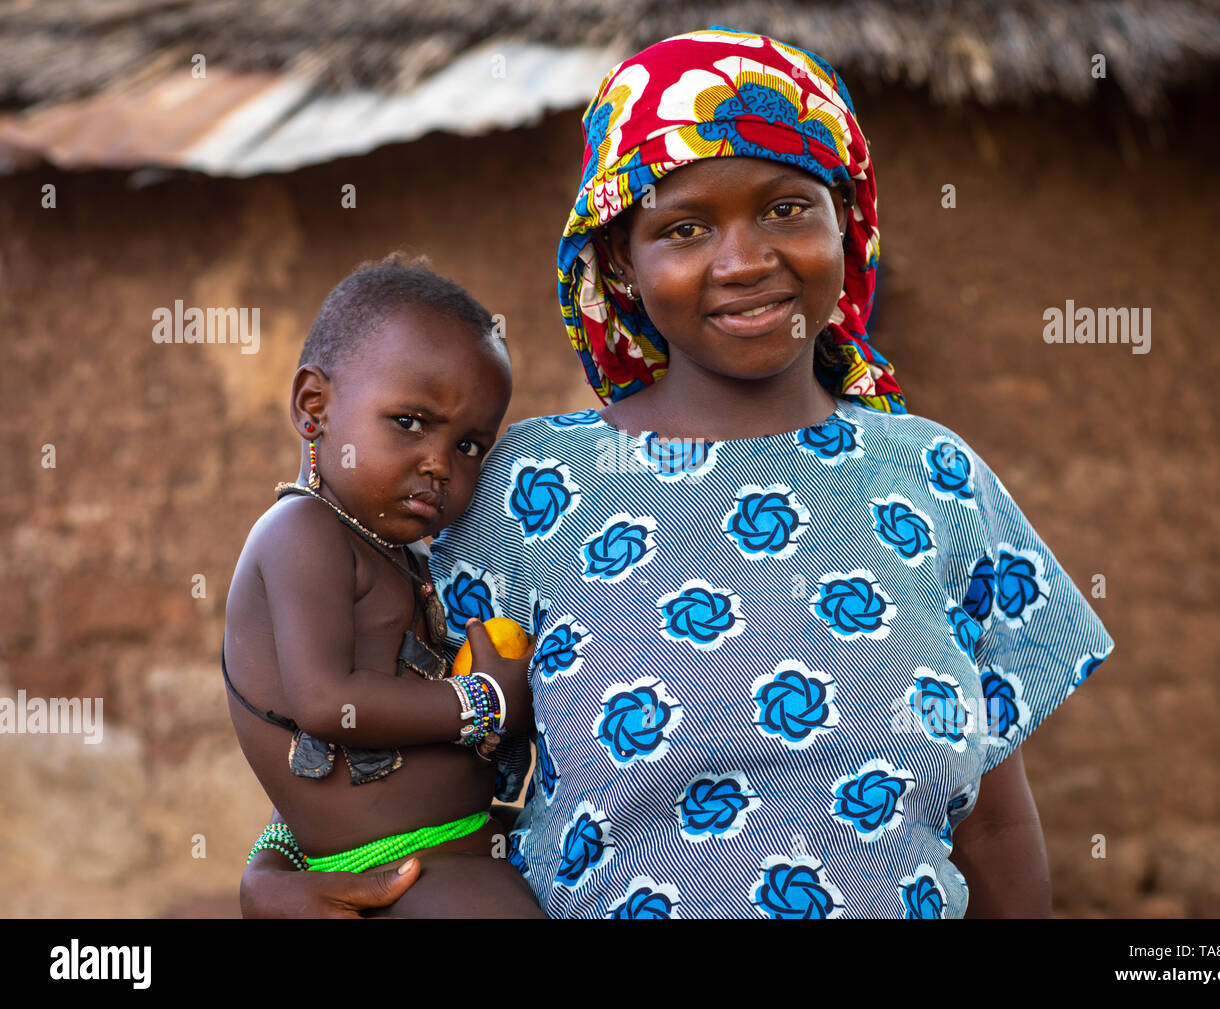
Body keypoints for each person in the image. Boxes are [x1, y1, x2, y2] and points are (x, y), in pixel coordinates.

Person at [242, 28, 1113, 919]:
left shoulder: (938, 478)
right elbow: (375, 726)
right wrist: (275, 868)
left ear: (846, 222)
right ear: (620, 258)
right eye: (685, 228)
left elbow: (997, 829)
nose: (744, 262)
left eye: (787, 209)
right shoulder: (529, 491)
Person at [224, 253, 543, 917]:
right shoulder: (301, 531)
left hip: (440, 854)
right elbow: (322, 702)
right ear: (315, 407)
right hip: (395, 866)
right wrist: (484, 701)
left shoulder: (402, 553)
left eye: (470, 447)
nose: (439, 465)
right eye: (409, 422)